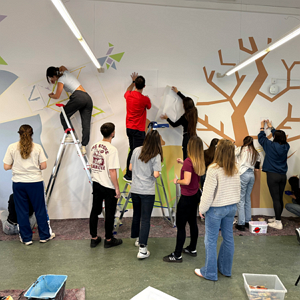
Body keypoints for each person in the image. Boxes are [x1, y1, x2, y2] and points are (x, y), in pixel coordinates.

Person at [195, 139, 240, 281]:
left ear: (218, 151)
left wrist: (201, 209)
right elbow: (238, 190)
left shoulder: (213, 169)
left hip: (215, 209)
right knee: (228, 238)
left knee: (211, 240)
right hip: (232, 207)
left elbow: (208, 194)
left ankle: (210, 273)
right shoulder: (236, 168)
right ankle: (225, 270)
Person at [3, 125, 55, 245]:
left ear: (19, 133)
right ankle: (44, 236)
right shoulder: (37, 147)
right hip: (35, 182)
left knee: (22, 211)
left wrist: (16, 166)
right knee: (40, 209)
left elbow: (6, 166)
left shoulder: (12, 147)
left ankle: (26, 239)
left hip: (19, 183)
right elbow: (43, 166)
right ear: (32, 134)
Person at [163, 136, 205, 263]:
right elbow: (193, 172)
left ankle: (177, 255)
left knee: (181, 226)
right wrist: (183, 163)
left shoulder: (189, 161)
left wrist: (177, 181)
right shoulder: (198, 160)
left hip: (186, 198)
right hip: (195, 195)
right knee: (193, 223)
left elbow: (186, 181)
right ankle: (192, 248)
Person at [129, 130, 163, 259]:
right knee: (145, 219)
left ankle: (138, 239)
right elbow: (155, 174)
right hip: (147, 191)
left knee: (137, 214)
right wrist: (157, 172)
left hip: (135, 189)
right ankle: (142, 249)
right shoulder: (156, 155)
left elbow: (131, 168)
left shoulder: (136, 150)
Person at [89, 122, 122, 248]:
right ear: (113, 133)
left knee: (94, 210)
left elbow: (92, 165)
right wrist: (117, 189)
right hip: (108, 186)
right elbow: (112, 171)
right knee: (109, 213)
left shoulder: (94, 146)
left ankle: (94, 238)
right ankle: (108, 240)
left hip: (96, 183)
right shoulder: (112, 150)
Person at [46, 66, 93, 155]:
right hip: (87, 98)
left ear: (53, 76)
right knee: (86, 124)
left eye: (51, 78)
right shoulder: (67, 73)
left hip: (78, 96)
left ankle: (70, 134)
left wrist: (50, 95)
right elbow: (62, 66)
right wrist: (56, 75)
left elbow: (57, 96)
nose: (51, 80)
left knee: (63, 115)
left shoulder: (61, 80)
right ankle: (83, 147)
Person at [258, 120, 290, 230]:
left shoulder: (269, 145)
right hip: (282, 176)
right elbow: (279, 136)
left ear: (275, 137)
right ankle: (277, 217)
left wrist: (262, 128)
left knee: (275, 199)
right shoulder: (286, 146)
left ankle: (278, 222)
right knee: (279, 198)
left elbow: (261, 138)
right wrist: (272, 128)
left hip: (272, 175)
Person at [123, 72, 151, 182]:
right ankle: (130, 175)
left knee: (132, 151)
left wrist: (132, 81)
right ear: (144, 86)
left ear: (135, 85)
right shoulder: (145, 99)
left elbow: (126, 90)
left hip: (129, 128)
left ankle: (129, 174)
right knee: (137, 153)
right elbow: (149, 106)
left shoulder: (129, 95)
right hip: (138, 130)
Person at [161, 86, 198, 160]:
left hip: (187, 138)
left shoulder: (185, 117)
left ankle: (186, 170)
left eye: (183, 104)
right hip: (194, 137)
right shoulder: (195, 111)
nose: (182, 105)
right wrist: (178, 92)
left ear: (185, 106)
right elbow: (187, 100)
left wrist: (167, 118)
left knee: (186, 157)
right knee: (193, 158)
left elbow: (174, 125)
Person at [235, 136, 260, 231]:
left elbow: (232, 155)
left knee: (241, 199)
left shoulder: (240, 149)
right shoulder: (255, 151)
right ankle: (247, 221)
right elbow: (258, 165)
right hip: (251, 174)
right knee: (247, 198)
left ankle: (240, 223)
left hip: (243, 174)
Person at [284, 176, 300, 244]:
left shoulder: (298, 189)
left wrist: (291, 195)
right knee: (294, 200)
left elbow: (298, 198)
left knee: (287, 205)